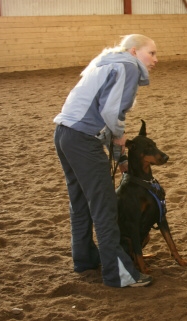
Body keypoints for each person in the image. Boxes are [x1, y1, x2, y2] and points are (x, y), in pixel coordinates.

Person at [53, 34, 158, 288]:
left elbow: (104, 110)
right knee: (105, 206)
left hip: (65, 133)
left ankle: (85, 258)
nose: (156, 59)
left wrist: (119, 154)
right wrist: (120, 138)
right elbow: (111, 112)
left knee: (80, 202)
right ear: (134, 51)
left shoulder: (108, 61)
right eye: (151, 53)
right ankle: (118, 273)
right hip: (83, 141)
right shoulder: (129, 66)